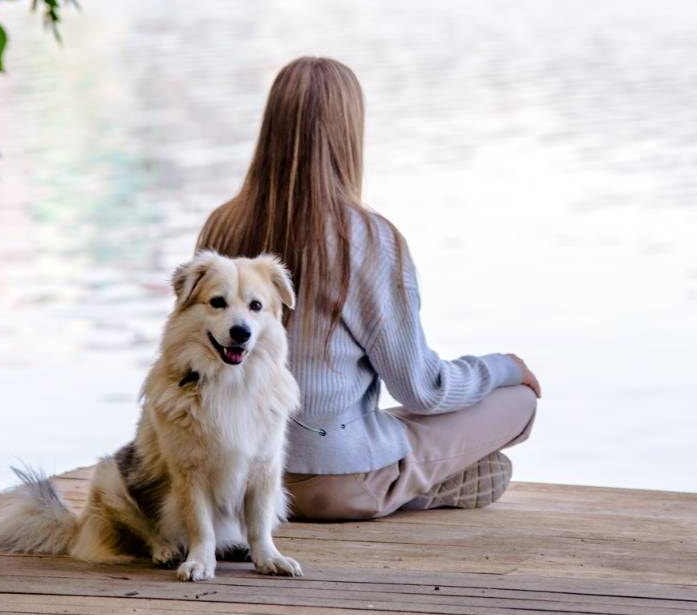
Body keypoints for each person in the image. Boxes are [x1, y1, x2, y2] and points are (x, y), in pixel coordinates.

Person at [196, 56, 540, 521]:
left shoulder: (221, 225)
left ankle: (411, 482)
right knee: (516, 402)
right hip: (335, 484)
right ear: (349, 132)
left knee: (386, 425)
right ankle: (410, 485)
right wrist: (504, 367)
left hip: (234, 481)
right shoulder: (371, 238)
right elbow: (423, 388)